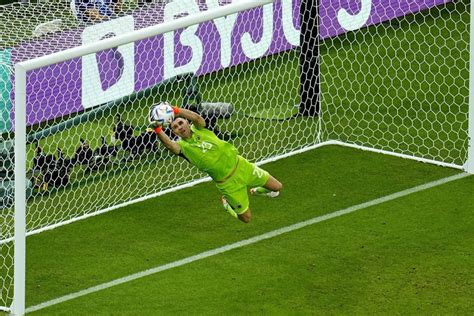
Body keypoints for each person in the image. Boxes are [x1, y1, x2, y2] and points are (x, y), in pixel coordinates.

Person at [151, 105, 283, 223]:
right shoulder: (182, 147)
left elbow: (196, 117)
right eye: (175, 127)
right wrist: (157, 129)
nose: (180, 127)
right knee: (246, 218)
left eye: (180, 123)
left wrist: (176, 110)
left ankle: (256, 191)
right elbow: (169, 145)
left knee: (277, 187)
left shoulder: (200, 128)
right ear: (174, 132)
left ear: (186, 121)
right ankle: (227, 205)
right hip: (228, 184)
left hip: (242, 166)